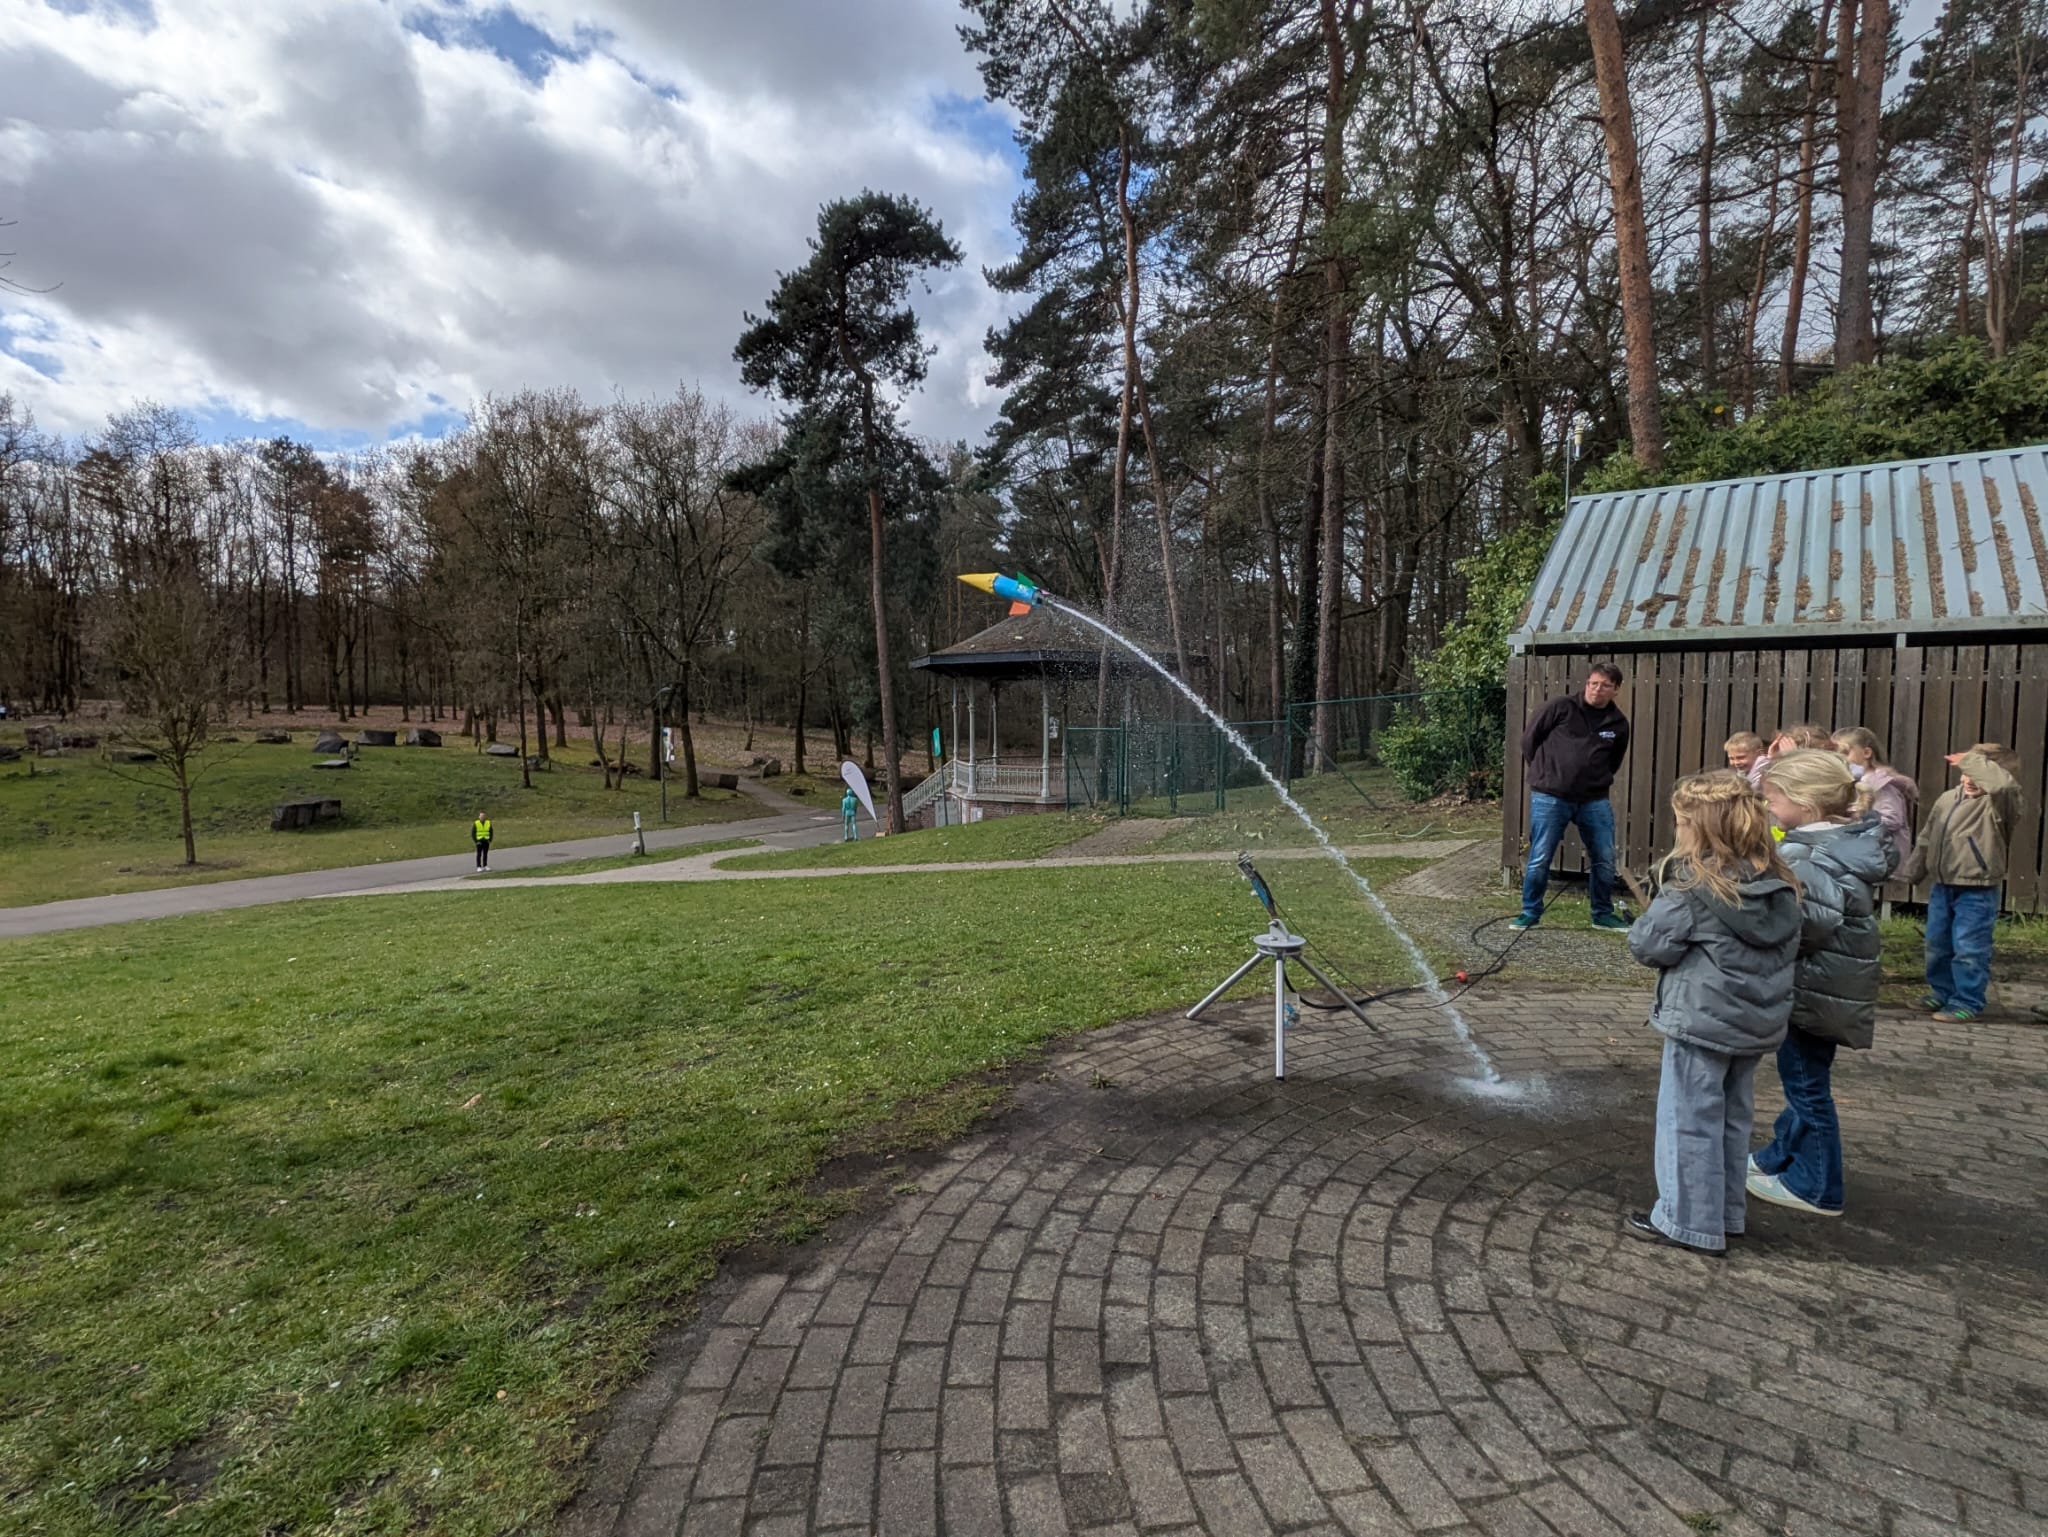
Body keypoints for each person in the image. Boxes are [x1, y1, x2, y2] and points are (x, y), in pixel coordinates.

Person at [1624, 771, 1803, 1255]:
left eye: (1681, 822)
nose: (1677, 830)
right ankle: (1724, 1214)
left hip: (1701, 1023)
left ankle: (1686, 1222)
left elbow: (1648, 946)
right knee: (1731, 1119)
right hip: (1755, 1026)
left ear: (1699, 828)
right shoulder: (1779, 881)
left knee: (1687, 1120)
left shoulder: (1691, 887)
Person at [1747, 750, 1893, 1218]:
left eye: (1773, 799)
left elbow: (1808, 926)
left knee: (1807, 1086)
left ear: (1805, 804)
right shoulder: (1841, 842)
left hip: (1812, 988)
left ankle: (1817, 1187)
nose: (1767, 808)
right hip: (1828, 985)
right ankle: (1780, 1155)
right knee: (1805, 1080)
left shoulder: (1807, 854)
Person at [1902, 742, 2023, 1023]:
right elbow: (1927, 836)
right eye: (1965, 772)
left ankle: (1967, 1000)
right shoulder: (1948, 798)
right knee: (1937, 944)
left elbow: (2002, 786)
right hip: (1943, 886)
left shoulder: (1999, 805)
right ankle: (1942, 991)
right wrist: (1914, 869)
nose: (1968, 779)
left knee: (1969, 947)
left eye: (1976, 773)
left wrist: (1971, 761)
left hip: (1978, 890)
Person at [1513, 662, 1631, 933]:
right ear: (1586, 683)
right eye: (1593, 683)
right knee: (1541, 855)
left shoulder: (1618, 723)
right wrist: (1547, 772)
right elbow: (1529, 740)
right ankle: (1530, 912)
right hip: (1550, 796)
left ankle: (1602, 914)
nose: (1597, 689)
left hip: (1594, 799)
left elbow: (1614, 761)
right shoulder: (1560, 707)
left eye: (1605, 686)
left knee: (1604, 856)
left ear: (1616, 690)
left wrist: (1593, 779)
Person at [1831, 727, 1917, 875]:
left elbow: (1893, 819)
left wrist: (1856, 819)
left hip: (1884, 862)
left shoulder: (1881, 784)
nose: (1841, 759)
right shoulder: (1850, 782)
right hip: (1862, 861)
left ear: (1866, 753)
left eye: (1845, 753)